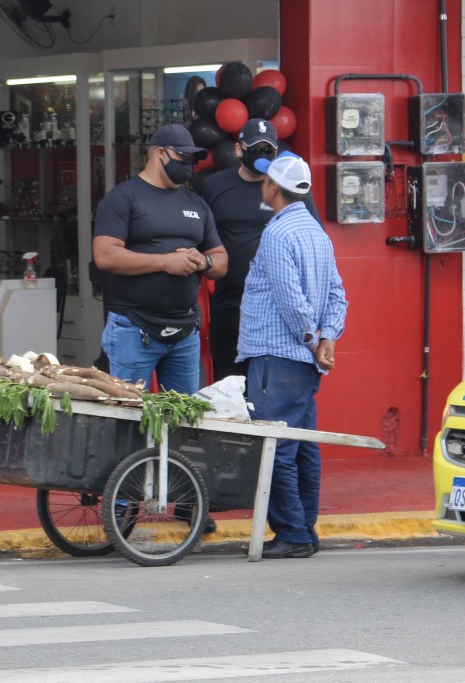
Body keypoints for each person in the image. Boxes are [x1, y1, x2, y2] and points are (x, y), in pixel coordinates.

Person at [237, 153, 347, 559]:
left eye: (266, 180)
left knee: (276, 447)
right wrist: (327, 337)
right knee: (301, 447)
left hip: (277, 356)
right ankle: (304, 529)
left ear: (273, 187)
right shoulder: (317, 233)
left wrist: (314, 338)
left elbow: (290, 300)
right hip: (302, 361)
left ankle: (293, 534)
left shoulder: (278, 233)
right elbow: (337, 294)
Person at [92, 123, 227, 396]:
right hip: (134, 328)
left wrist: (204, 262)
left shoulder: (196, 203)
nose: (190, 166)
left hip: (184, 332)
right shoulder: (123, 197)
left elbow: (221, 259)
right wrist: (165, 262)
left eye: (194, 160)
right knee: (128, 412)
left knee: (183, 415)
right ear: (160, 153)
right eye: (184, 157)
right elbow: (104, 256)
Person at [201, 119, 322, 381]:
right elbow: (201, 237)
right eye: (255, 147)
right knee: (231, 389)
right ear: (238, 149)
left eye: (268, 149)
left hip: (279, 311)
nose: (262, 154)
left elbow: (315, 239)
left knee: (272, 390)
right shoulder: (216, 185)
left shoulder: (289, 187)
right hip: (231, 305)